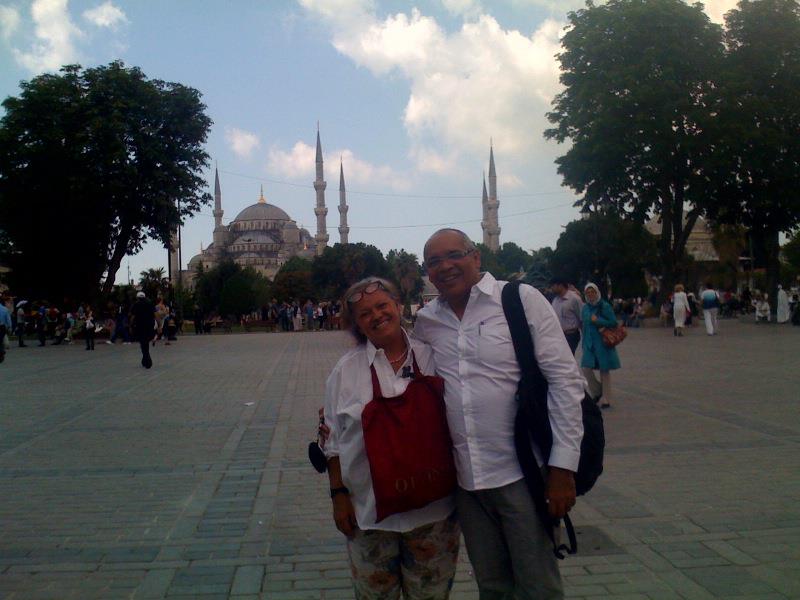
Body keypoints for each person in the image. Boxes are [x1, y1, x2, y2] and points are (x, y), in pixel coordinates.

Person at [414, 229, 584, 600]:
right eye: (434, 261)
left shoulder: (519, 300)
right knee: (492, 586)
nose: (445, 266)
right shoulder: (428, 321)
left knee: (538, 585)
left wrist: (562, 468)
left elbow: (565, 381)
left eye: (454, 255)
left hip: (522, 473)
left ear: (476, 257)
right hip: (467, 483)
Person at [323, 277, 460, 599]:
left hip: (433, 515)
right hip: (369, 516)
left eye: (382, 305)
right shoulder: (345, 371)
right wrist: (339, 497)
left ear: (398, 306)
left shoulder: (433, 357)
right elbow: (333, 443)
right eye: (365, 313)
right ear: (357, 324)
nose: (376, 315)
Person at [581, 283, 621, 409]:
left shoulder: (604, 306)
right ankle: (597, 391)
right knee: (585, 368)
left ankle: (606, 399)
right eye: (588, 293)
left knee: (604, 370)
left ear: (597, 292)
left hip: (602, 343)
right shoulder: (585, 308)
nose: (590, 295)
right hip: (589, 344)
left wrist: (598, 321)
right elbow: (584, 326)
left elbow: (613, 322)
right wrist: (583, 342)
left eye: (592, 292)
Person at [550, 276, 583, 355]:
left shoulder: (574, 298)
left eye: (553, 286)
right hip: (559, 335)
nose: (551, 288)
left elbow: (581, 317)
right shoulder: (555, 300)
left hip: (571, 335)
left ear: (560, 285)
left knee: (568, 356)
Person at [131, 292, 155, 368]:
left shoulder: (136, 304)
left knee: (143, 343)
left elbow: (133, 316)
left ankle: (147, 359)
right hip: (149, 325)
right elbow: (156, 314)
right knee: (146, 342)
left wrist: (131, 325)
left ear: (137, 297)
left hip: (140, 326)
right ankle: (145, 359)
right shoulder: (150, 304)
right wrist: (159, 325)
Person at [0, 298, 11, 363]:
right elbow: (8, 320)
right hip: (2, 327)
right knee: (1, 340)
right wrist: (9, 327)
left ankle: (1, 351)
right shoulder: (5, 309)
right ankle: (1, 351)